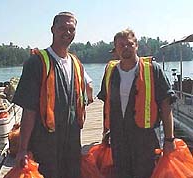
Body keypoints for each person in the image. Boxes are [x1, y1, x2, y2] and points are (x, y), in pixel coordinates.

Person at [13, 12, 92, 178]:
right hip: (45, 143)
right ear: (53, 30)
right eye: (62, 28)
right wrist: (23, 149)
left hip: (71, 142)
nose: (67, 32)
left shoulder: (77, 64)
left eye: (71, 29)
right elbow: (29, 110)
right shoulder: (36, 63)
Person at [97, 28, 176, 178]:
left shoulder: (153, 69)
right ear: (116, 48)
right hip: (119, 138)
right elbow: (107, 105)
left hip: (146, 139)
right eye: (121, 45)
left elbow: (166, 106)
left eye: (129, 44)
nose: (125, 48)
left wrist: (169, 139)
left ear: (136, 45)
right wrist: (105, 131)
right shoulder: (110, 71)